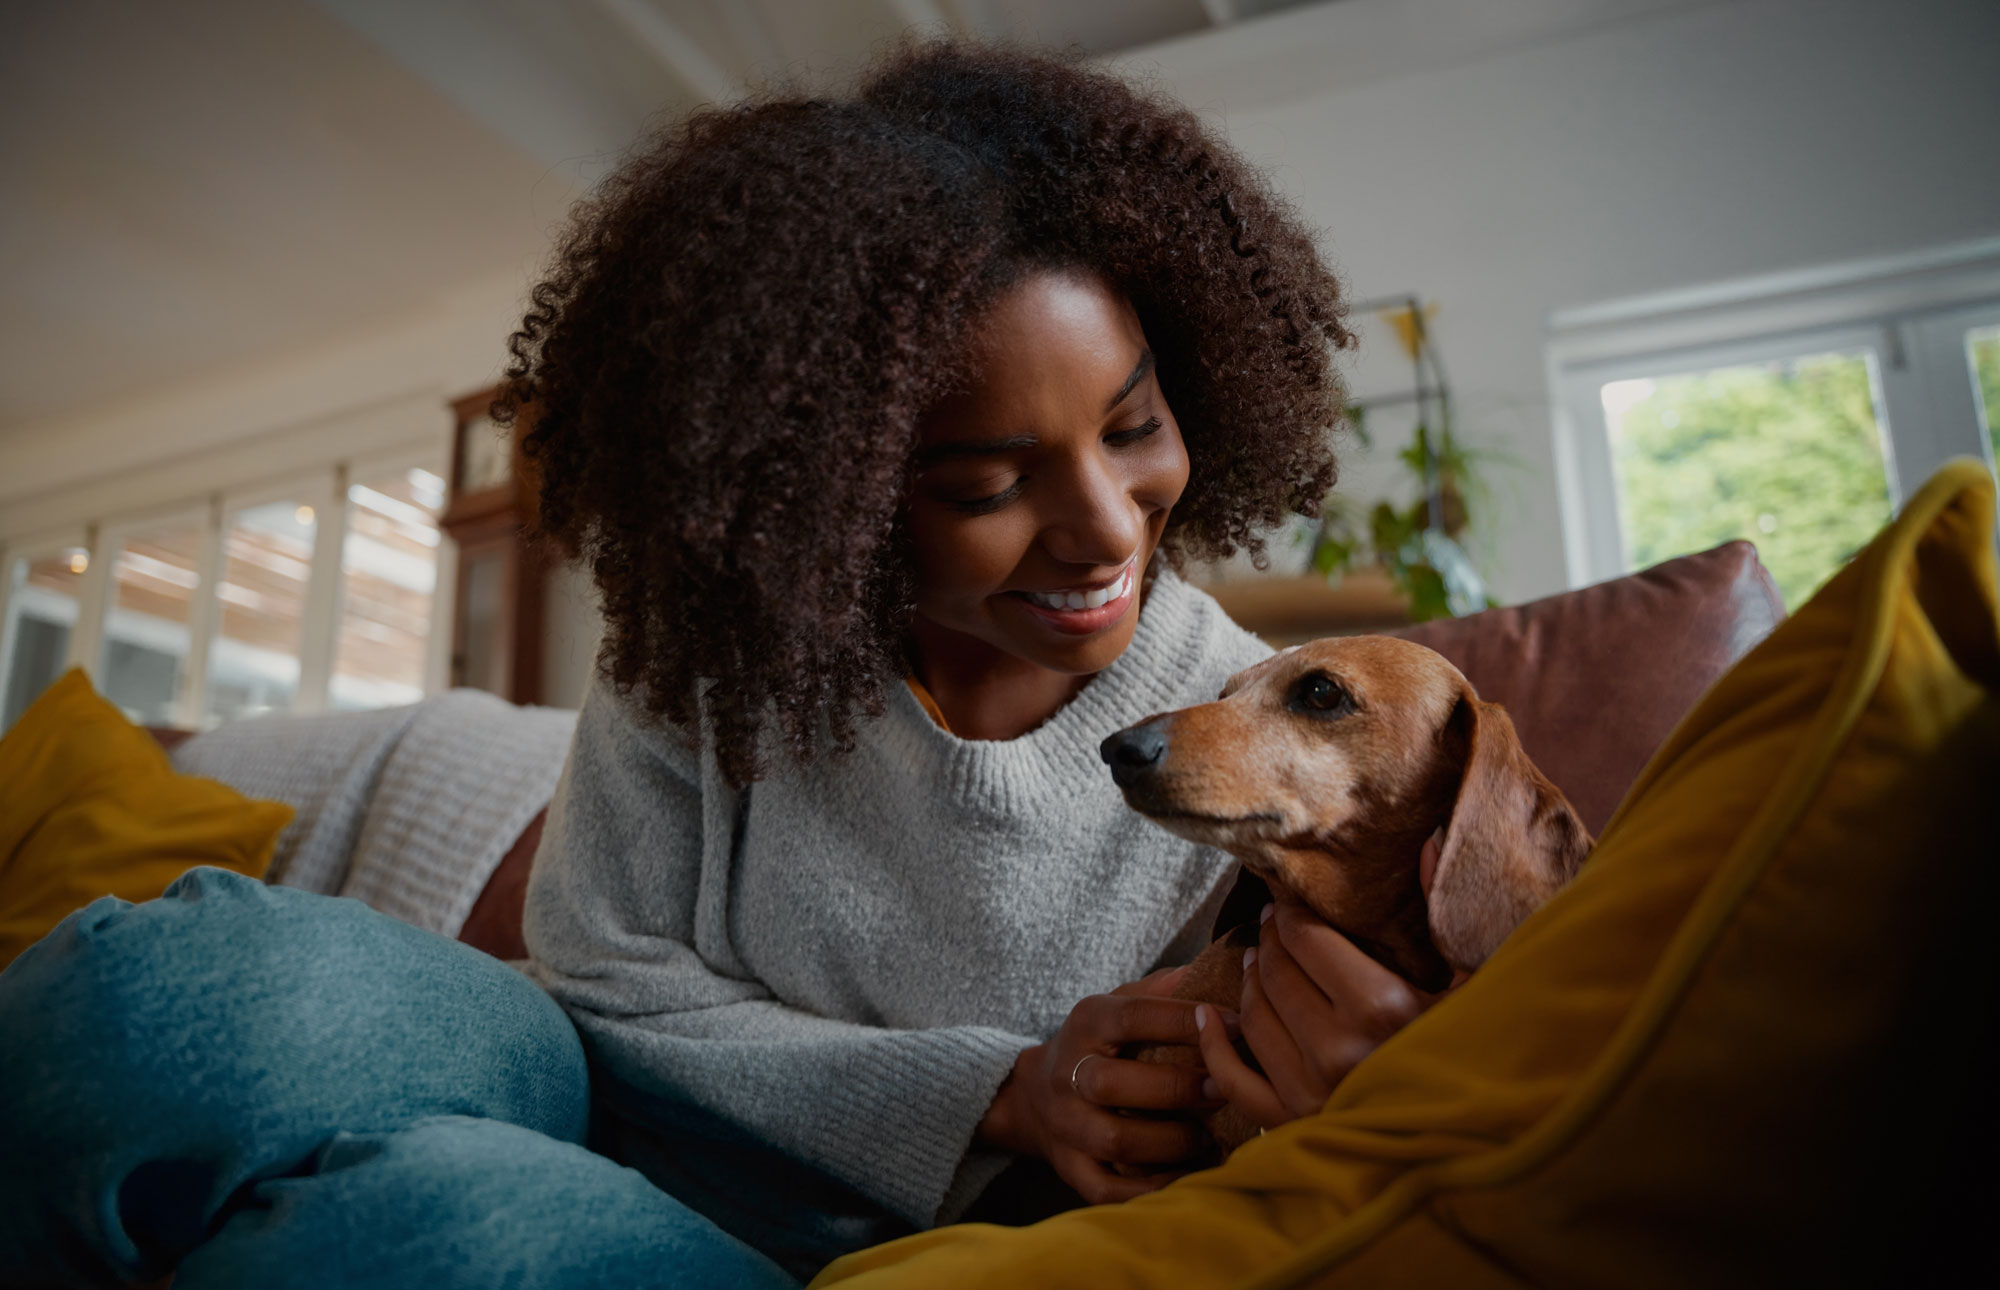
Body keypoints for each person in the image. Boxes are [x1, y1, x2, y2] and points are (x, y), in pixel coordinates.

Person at [0, 42, 1437, 1290]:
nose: (1106, 524)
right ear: (835, 490)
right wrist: (995, 1084)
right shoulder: (724, 637)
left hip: (850, 1253)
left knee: (415, 1231)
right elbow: (605, 983)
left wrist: (1362, 1076)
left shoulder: (1263, 742)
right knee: (145, 998)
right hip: (579, 1093)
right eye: (988, 481)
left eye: (1134, 426)